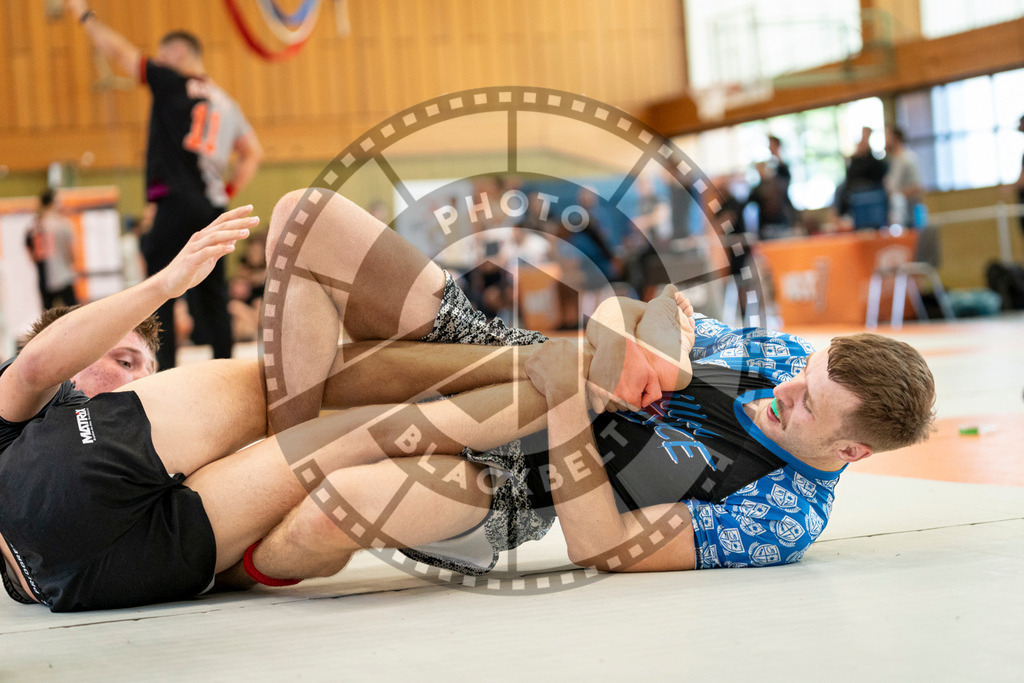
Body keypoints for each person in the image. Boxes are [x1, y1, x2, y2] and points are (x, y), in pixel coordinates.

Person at [0, 190, 688, 612]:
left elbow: (329, 432)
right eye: (116, 357)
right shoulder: (35, 415)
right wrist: (166, 283)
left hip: (174, 524)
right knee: (320, 415)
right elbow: (39, 360)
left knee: (318, 400)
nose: (132, 370)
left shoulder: (126, 419)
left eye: (140, 360)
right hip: (106, 546)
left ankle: (571, 370)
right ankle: (571, 369)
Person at [206, 192, 937, 587]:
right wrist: (637, 333)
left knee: (329, 515)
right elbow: (645, 313)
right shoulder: (780, 356)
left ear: (852, 448)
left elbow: (604, 546)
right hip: (521, 359)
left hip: (518, 483)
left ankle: (234, 549)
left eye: (807, 404)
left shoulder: (781, 513)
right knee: (304, 218)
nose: (786, 391)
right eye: (805, 375)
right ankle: (272, 460)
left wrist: (570, 403)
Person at [67, 0, 263, 370]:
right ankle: (225, 371)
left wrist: (85, 16)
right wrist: (229, 190)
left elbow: (119, 52)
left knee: (161, 291)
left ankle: (165, 373)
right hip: (211, 206)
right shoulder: (228, 103)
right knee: (212, 293)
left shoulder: (172, 81)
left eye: (162, 54)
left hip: (175, 202)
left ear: (176, 53)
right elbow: (253, 152)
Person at [25, 189, 78, 310]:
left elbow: (29, 250)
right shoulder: (63, 225)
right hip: (63, 275)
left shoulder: (33, 227)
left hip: (44, 278)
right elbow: (70, 253)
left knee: (47, 320)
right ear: (53, 203)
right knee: (75, 312)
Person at [884, 126, 923, 227]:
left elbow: (917, 186)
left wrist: (898, 195)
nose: (885, 139)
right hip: (896, 212)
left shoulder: (908, 158)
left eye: (887, 136)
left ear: (895, 138)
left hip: (909, 213)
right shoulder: (892, 160)